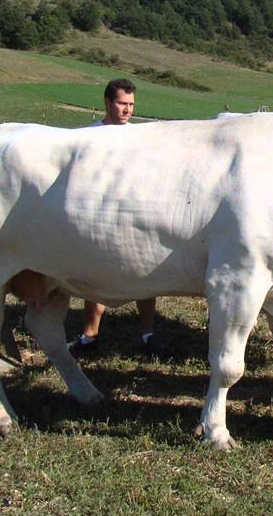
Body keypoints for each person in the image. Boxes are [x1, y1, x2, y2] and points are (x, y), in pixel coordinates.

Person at [69, 78, 170, 359]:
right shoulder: (88, 137)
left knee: (146, 274)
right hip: (99, 216)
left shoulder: (140, 137)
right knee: (96, 274)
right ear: (107, 102)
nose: (127, 110)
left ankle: (148, 335)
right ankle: (90, 335)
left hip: (136, 215)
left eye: (131, 105)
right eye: (121, 103)